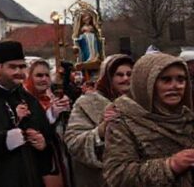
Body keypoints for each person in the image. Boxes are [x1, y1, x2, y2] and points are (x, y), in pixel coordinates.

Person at [0, 41, 53, 187]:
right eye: (13, 67)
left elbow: (46, 134)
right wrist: (4, 140)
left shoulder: (29, 100)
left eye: (22, 66)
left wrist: (43, 143)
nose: (19, 72)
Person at [102, 53, 193, 186]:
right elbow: (118, 176)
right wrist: (169, 166)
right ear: (146, 83)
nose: (176, 86)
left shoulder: (187, 117)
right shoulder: (123, 121)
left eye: (181, 79)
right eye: (166, 80)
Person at [64, 54, 133, 187]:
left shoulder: (141, 101)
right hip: (100, 179)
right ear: (108, 77)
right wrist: (101, 131)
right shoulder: (87, 103)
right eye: (119, 75)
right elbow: (73, 142)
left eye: (129, 74)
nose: (126, 78)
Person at [23, 59, 72, 187]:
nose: (44, 79)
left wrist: (65, 113)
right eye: (39, 75)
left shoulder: (53, 97)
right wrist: (50, 115)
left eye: (47, 75)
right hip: (35, 161)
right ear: (30, 77)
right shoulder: (23, 100)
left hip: (57, 156)